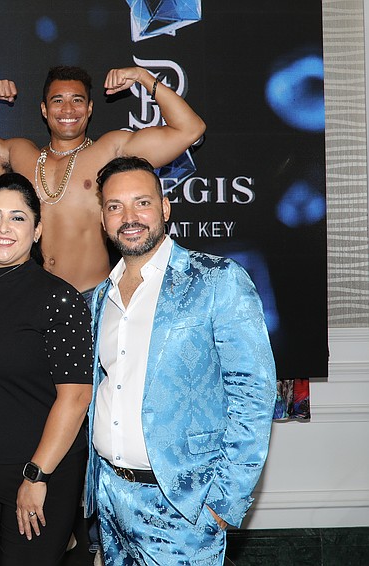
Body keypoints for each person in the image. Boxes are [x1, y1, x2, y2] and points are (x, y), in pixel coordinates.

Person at [86, 156, 277, 565]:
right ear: (102, 218)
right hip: (111, 500)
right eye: (115, 206)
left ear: (165, 208)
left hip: (185, 507)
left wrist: (224, 502)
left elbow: (254, 394)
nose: (129, 217)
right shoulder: (100, 297)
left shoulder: (216, 280)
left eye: (142, 202)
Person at [0, 65, 206, 303]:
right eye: (58, 101)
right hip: (34, 296)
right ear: (44, 109)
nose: (68, 109)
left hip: (92, 296)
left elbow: (190, 129)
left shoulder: (109, 150)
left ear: (90, 108)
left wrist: (142, 77)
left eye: (77, 100)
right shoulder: (21, 154)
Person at [0, 173, 93, 566]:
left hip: (35, 477)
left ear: (38, 230)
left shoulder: (59, 299)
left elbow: (76, 398)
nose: (4, 228)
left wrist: (37, 475)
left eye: (18, 217)